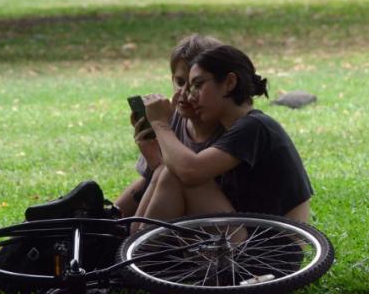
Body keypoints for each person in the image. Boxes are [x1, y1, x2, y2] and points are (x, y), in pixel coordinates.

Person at [136, 44, 313, 223]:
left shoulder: (255, 126)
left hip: (272, 245)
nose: (190, 97)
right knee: (164, 171)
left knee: (176, 175)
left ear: (229, 83)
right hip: (247, 235)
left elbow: (190, 171)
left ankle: (138, 249)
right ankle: (129, 244)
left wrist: (160, 124)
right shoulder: (238, 127)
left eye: (198, 85)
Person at [114, 34, 225, 216]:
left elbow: (183, 175)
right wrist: (111, 216)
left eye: (196, 84)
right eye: (180, 82)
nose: (185, 93)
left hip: (226, 228)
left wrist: (160, 126)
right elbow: (152, 180)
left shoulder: (230, 125)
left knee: (173, 173)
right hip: (182, 218)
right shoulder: (170, 118)